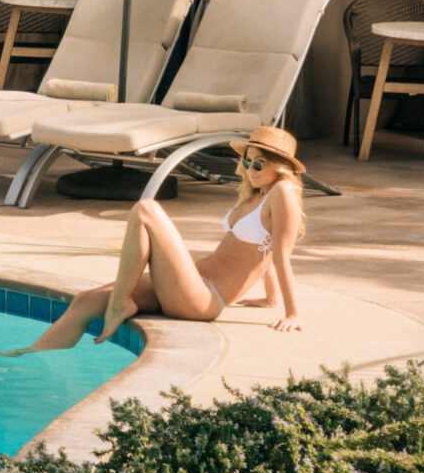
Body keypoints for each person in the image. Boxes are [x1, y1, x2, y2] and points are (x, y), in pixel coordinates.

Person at [23, 126, 308, 351]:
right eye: (247, 161)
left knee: (146, 210)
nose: (249, 170)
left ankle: (122, 301)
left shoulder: (282, 192)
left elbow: (281, 254)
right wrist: (269, 299)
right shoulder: (257, 194)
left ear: (280, 168)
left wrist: (292, 313)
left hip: (203, 299)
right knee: (87, 301)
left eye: (258, 165)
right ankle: (28, 358)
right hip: (190, 283)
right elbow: (265, 250)